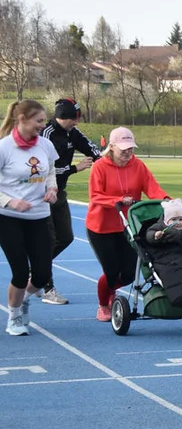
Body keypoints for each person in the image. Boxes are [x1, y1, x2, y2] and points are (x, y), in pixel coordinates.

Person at [86, 128, 168, 322]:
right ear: (111, 147)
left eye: (130, 148)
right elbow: (96, 196)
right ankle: (103, 304)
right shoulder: (99, 167)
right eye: (123, 149)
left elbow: (152, 187)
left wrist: (166, 200)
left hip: (128, 226)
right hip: (101, 227)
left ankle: (111, 290)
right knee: (112, 271)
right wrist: (118, 200)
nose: (127, 152)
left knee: (130, 274)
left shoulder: (138, 166)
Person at [0, 100, 59, 336]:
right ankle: (13, 317)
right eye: (39, 121)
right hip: (8, 218)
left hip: (39, 215)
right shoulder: (4, 147)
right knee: (20, 272)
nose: (42, 126)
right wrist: (10, 201)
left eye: (44, 121)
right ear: (22, 119)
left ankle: (22, 299)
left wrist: (52, 190)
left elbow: (51, 171)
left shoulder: (45, 145)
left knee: (43, 274)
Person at [38, 98, 101, 304]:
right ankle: (47, 288)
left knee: (65, 238)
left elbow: (93, 151)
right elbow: (44, 170)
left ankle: (36, 269)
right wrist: (74, 168)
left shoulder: (74, 133)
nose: (76, 122)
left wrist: (109, 159)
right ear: (62, 117)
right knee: (47, 240)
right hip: (42, 194)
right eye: (73, 119)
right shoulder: (45, 135)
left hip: (60, 193)